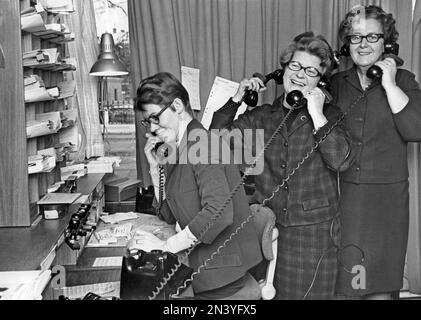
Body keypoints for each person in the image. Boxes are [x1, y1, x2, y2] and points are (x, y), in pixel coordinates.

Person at [210, 32, 355, 299]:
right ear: (282, 71)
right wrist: (238, 98)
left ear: (320, 80)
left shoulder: (330, 116)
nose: (300, 75)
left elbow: (341, 161)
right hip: (266, 229)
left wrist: (317, 113)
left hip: (312, 236)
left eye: (311, 71)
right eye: (295, 66)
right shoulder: (262, 116)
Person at [129, 72, 263, 300]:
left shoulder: (203, 143)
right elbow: (169, 215)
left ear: (178, 106)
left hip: (221, 274)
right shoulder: (180, 145)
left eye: (155, 118)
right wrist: (155, 169)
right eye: (147, 121)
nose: (150, 129)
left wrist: (167, 246)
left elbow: (218, 213)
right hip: (204, 265)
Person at [331, 5, 421, 300]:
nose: (364, 44)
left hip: (386, 205)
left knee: (380, 291)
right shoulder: (336, 84)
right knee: (348, 289)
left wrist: (390, 83)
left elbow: (416, 130)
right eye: (356, 38)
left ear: (388, 43)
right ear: (347, 45)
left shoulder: (405, 80)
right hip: (344, 201)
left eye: (372, 36)